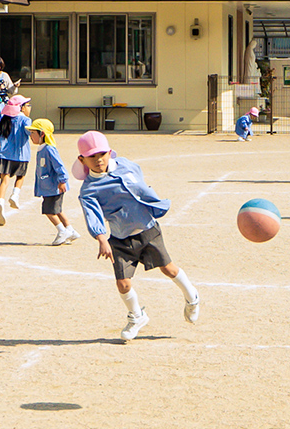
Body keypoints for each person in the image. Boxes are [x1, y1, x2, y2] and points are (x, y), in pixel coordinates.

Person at [75, 131, 201, 343]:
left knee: (168, 268)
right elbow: (92, 215)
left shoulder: (125, 165)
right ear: (82, 160)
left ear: (109, 152)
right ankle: (137, 316)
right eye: (92, 156)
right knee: (123, 283)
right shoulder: (89, 189)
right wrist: (101, 238)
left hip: (147, 228)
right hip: (120, 238)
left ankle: (192, 297)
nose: (99, 160)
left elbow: (138, 176)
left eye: (103, 154)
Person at [29, 118, 78, 246]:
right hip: (48, 187)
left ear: (42, 134)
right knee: (57, 209)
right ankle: (70, 230)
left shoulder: (49, 149)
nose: (30, 136)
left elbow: (59, 166)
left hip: (54, 187)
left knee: (49, 210)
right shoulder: (42, 149)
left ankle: (62, 231)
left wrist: (62, 181)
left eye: (33, 133)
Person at [0, 95, 33, 225]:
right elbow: (30, 134)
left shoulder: (5, 120)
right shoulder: (26, 120)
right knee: (20, 176)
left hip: (6, 155)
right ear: (21, 108)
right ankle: (15, 195)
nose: (29, 107)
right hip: (22, 155)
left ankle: (0, 201)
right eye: (27, 105)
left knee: (4, 180)